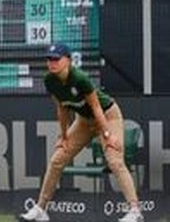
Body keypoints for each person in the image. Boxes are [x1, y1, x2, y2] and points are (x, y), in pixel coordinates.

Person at [20, 43, 144, 222]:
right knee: (57, 160)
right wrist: (63, 136)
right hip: (83, 121)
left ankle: (135, 211)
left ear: (68, 61)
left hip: (107, 116)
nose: (52, 63)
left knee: (115, 161)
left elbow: (96, 107)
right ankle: (41, 209)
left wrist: (108, 135)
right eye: (49, 59)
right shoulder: (50, 81)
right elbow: (62, 108)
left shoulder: (80, 79)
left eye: (56, 59)